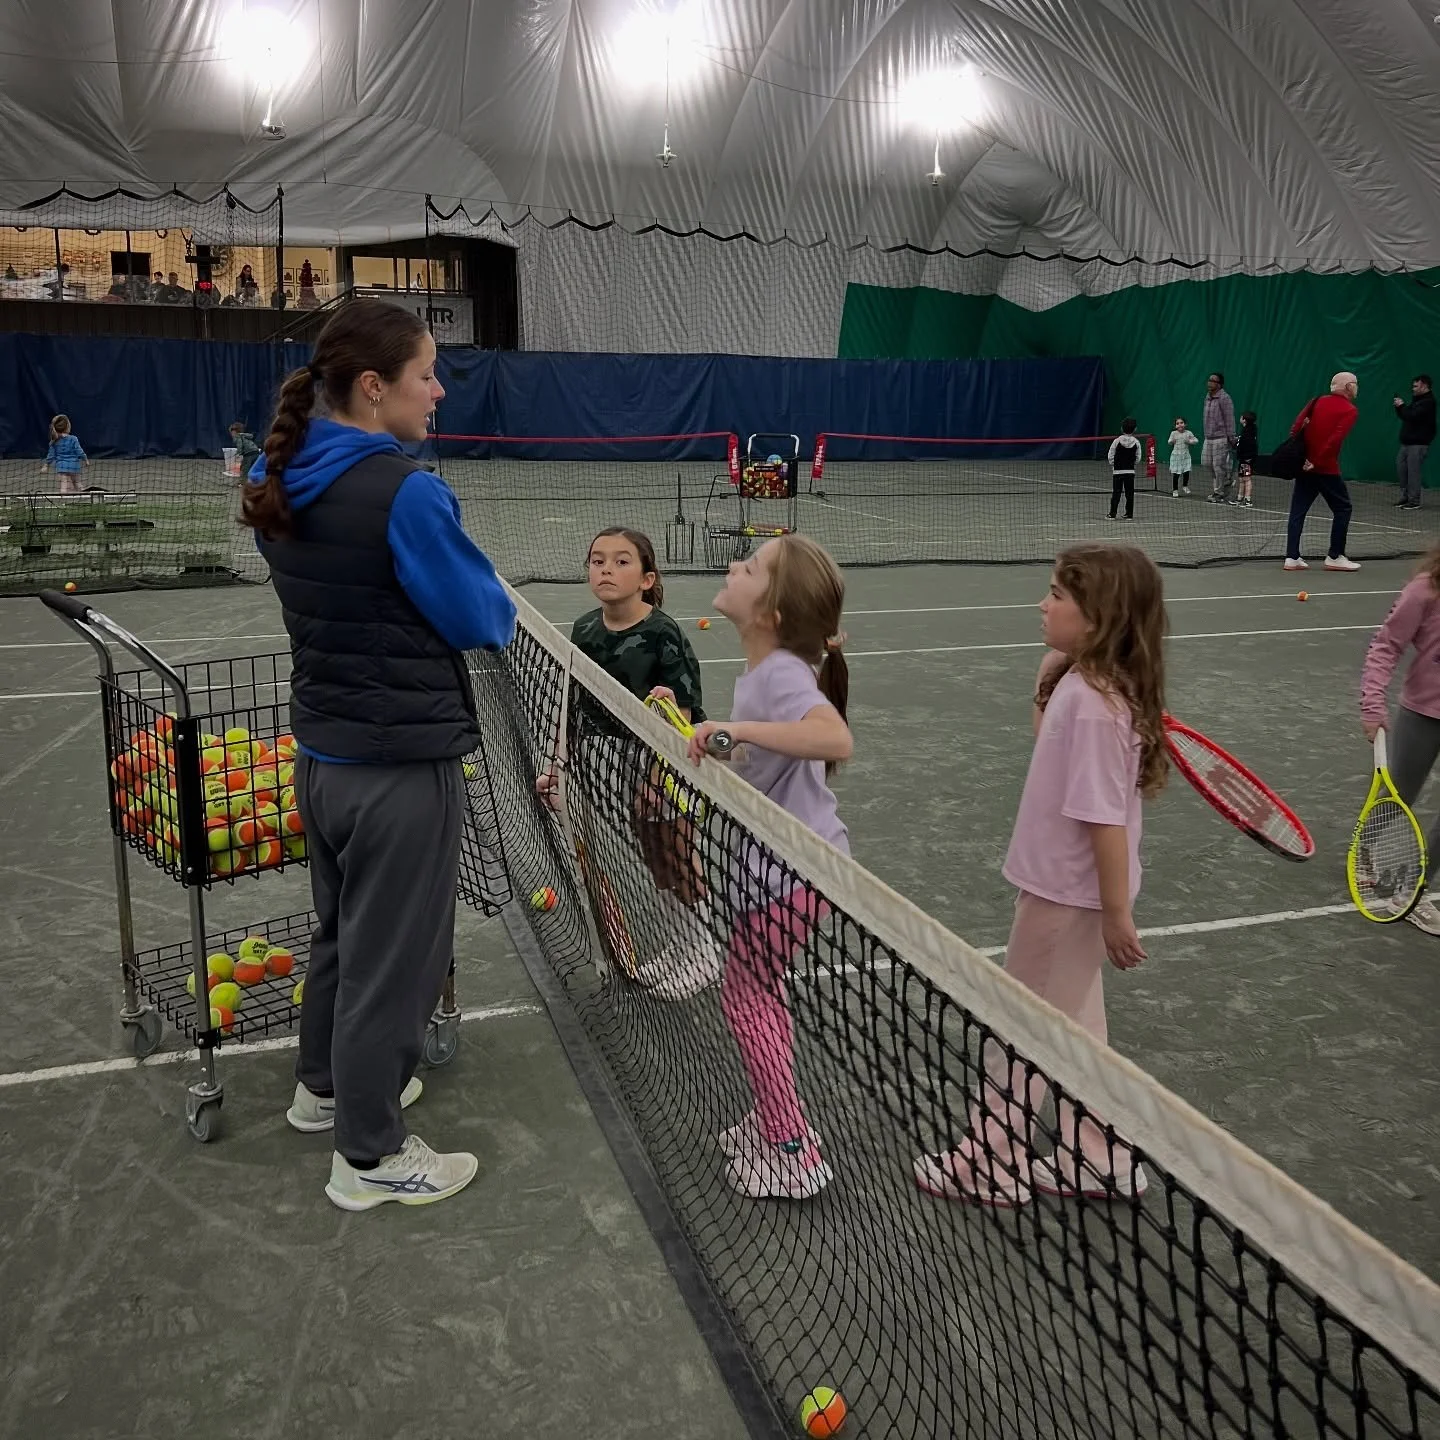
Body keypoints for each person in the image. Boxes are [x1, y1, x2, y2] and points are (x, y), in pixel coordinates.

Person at [240, 299, 516, 1212]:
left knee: (341, 940)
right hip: (401, 770)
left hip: (321, 760)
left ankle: (324, 1091)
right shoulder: (406, 491)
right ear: (373, 386)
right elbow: (483, 617)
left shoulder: (273, 470)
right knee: (391, 965)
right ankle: (369, 1156)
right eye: (426, 374)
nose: (438, 391)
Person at [914, 544, 1165, 1207]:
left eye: (1057, 595)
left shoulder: (1093, 704)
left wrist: (1115, 913)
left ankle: (987, 1163)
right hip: (1066, 892)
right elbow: (1044, 740)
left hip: (1067, 900)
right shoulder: (1082, 686)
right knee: (1077, 1033)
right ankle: (1099, 1154)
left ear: (1099, 616)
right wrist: (1053, 673)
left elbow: (1103, 821)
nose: (1042, 603)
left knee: (1021, 1032)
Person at [677, 535, 852, 1201]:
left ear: (770, 615)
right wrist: (705, 731)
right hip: (776, 873)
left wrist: (739, 731)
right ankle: (775, 1119)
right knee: (760, 994)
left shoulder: (780, 673)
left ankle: (792, 1149)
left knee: (746, 998)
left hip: (792, 877)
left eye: (748, 568)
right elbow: (757, 761)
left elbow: (833, 738)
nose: (732, 566)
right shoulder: (762, 672)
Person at [565, 527, 723, 1002]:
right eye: (597, 561)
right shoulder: (584, 630)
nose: (606, 569)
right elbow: (573, 705)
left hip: (665, 763)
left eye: (621, 562)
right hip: (610, 762)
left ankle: (703, 951)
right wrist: (561, 763)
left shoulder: (663, 632)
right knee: (654, 858)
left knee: (677, 852)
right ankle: (679, 947)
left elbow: (687, 714)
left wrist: (660, 777)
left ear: (648, 578)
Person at [1358, 542, 1440, 935]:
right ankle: (1364, 851)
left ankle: (1411, 891)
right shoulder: (1424, 590)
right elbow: (1386, 645)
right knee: (1398, 796)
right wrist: (1372, 704)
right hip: (1422, 715)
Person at [1284, 372, 1361, 573]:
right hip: (1326, 468)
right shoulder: (1350, 410)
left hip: (1304, 467)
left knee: (1297, 511)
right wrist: (1316, 462)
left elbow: (1296, 428)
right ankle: (1335, 556)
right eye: (1355, 384)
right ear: (1349, 387)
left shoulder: (1315, 401)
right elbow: (1335, 439)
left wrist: (1303, 459)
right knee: (1343, 508)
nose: (1357, 388)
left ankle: (1292, 557)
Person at [1393, 375, 1435, 511]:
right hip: (1406, 443)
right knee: (1402, 469)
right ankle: (1405, 496)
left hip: (1418, 444)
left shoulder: (1428, 402)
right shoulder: (1416, 401)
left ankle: (1414, 500)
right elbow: (1406, 416)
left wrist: (1402, 406)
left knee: (1413, 472)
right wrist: (1399, 408)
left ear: (1424, 386)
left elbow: (1412, 416)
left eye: (1416, 386)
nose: (1413, 388)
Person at [1202, 371, 1237, 503]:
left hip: (1221, 437)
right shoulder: (1207, 397)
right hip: (1208, 437)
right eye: (1209, 380)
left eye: (1213, 381)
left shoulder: (1224, 398)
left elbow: (1229, 418)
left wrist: (1231, 437)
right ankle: (1227, 479)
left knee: (1218, 466)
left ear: (1220, 384)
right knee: (1206, 463)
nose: (1210, 383)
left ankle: (1219, 492)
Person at [41, 414, 90, 496]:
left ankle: (63, 500)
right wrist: (85, 459)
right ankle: (86, 497)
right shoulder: (73, 439)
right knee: (77, 484)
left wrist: (46, 465)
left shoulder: (54, 441)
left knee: (63, 486)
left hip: (61, 466)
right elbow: (79, 450)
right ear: (68, 427)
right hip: (74, 465)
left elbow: (51, 455)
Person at [1106, 418, 1142, 521]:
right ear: (1135, 429)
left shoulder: (1116, 441)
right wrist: (1131, 465)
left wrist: (1115, 465)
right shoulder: (1136, 442)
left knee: (1116, 492)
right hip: (1130, 472)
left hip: (1117, 472)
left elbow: (1110, 455)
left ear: (1122, 428)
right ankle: (1129, 514)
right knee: (1129, 493)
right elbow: (1138, 457)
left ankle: (1112, 514)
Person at [1233, 410, 1259, 507]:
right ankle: (1239, 498)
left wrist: (1249, 457)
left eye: (1241, 417)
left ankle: (1247, 500)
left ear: (1244, 420)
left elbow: (1251, 446)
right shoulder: (1246, 430)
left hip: (1246, 459)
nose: (1240, 418)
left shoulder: (1249, 432)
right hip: (1242, 459)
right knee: (1241, 478)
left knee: (1246, 478)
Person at [1167, 417, 1197, 497]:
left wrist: (1189, 441)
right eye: (1177, 423)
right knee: (1176, 474)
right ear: (1175, 426)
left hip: (1185, 456)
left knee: (1186, 472)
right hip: (1176, 457)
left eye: (1181, 423)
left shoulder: (1188, 433)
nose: (1180, 425)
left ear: (1185, 424)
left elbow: (1196, 440)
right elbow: (1169, 441)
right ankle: (1175, 490)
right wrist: (1172, 441)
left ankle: (1185, 486)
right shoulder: (1173, 433)